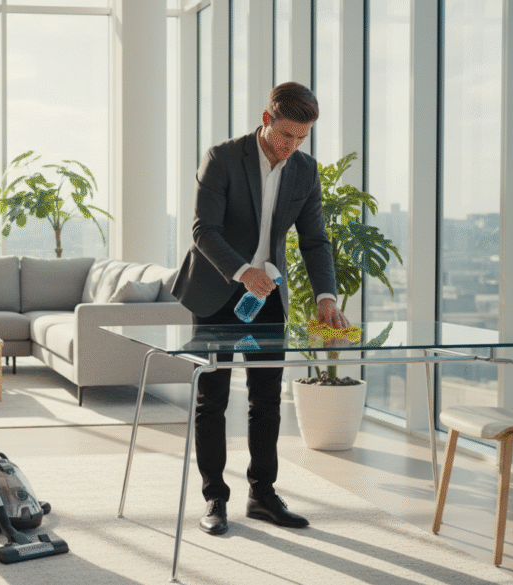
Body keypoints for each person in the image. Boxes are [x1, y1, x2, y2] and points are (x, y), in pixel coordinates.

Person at [171, 82, 349, 535]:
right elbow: (203, 230)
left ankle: (263, 495)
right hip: (216, 289)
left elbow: (314, 240)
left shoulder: (305, 171)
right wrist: (242, 271)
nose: (292, 147)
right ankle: (214, 498)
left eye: (302, 138)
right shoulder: (222, 158)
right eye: (287, 135)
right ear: (266, 119)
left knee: (267, 398)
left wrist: (326, 296)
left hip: (268, 294)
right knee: (212, 399)